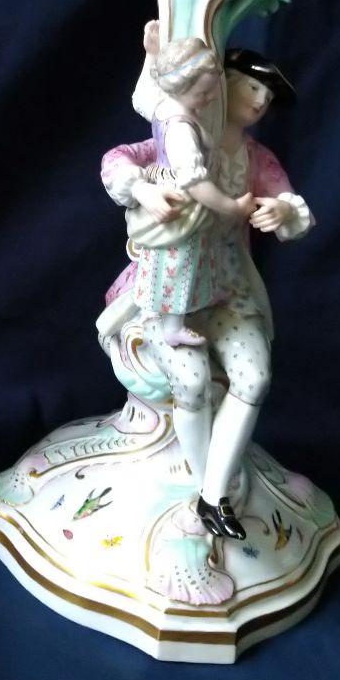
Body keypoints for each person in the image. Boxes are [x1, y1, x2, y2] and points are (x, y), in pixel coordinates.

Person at [100, 37, 313, 539]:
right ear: (220, 85)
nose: (259, 100)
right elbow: (117, 159)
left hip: (228, 285)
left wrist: (282, 211)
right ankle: (205, 486)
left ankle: (213, 492)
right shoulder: (182, 132)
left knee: (254, 378)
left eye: (267, 96)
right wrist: (143, 188)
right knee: (190, 382)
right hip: (172, 290)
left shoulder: (255, 159)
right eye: (251, 87)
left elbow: (290, 203)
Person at [125, 37, 255, 348]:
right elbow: (195, 183)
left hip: (174, 192)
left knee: (182, 263)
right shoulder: (181, 129)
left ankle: (186, 308)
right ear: (181, 86)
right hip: (183, 204)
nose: (211, 97)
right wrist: (232, 207)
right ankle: (172, 327)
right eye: (203, 92)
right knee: (180, 265)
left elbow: (141, 97)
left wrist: (151, 54)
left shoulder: (164, 105)